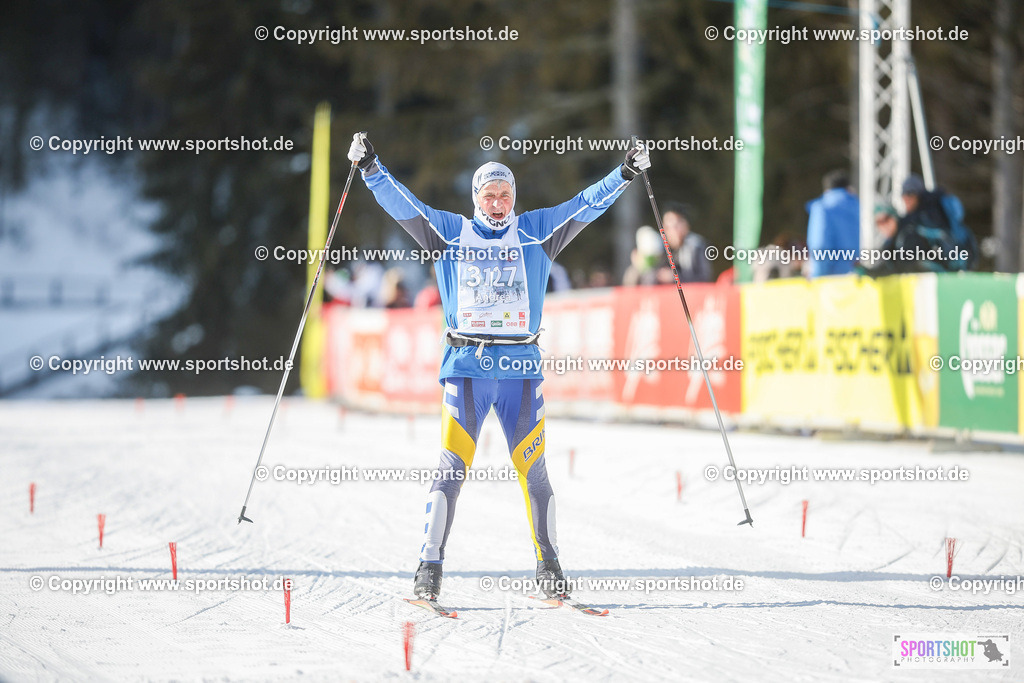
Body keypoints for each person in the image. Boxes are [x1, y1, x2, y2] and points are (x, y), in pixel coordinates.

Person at [347, 132, 650, 602]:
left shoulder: (535, 230)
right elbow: (404, 205)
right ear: (475, 199)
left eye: (505, 194)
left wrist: (625, 173)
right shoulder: (450, 232)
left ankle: (549, 566)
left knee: (535, 471)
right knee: (451, 467)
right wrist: (370, 169)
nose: (497, 203)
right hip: (467, 369)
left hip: (520, 374)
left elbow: (585, 204)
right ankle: (429, 568)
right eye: (489, 195)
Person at [805, 169, 859, 277]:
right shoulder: (859, 206)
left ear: (826, 190)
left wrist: (817, 276)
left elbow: (820, 245)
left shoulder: (822, 208)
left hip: (831, 279)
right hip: (857, 277)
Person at [658, 202, 712, 283]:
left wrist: (675, 277)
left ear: (685, 225)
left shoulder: (696, 246)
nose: (671, 230)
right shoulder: (660, 247)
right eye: (667, 227)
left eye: (675, 226)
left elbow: (705, 277)